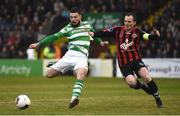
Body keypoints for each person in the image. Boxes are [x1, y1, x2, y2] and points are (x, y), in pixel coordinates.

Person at [29, 7, 107, 109]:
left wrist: (100, 42)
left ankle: (74, 98)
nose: (73, 19)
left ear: (80, 17)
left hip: (82, 57)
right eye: (71, 17)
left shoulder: (87, 25)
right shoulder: (67, 28)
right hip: (69, 56)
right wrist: (39, 44)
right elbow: (53, 37)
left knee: (81, 74)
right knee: (49, 74)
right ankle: (57, 64)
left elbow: (94, 35)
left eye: (75, 17)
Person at [89, 12, 163, 108]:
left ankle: (157, 97)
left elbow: (147, 36)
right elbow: (104, 32)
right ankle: (142, 86)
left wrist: (155, 36)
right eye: (125, 21)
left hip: (136, 60)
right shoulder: (117, 30)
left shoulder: (137, 32)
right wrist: (93, 33)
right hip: (124, 64)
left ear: (134, 22)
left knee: (147, 77)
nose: (127, 23)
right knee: (132, 83)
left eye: (129, 21)